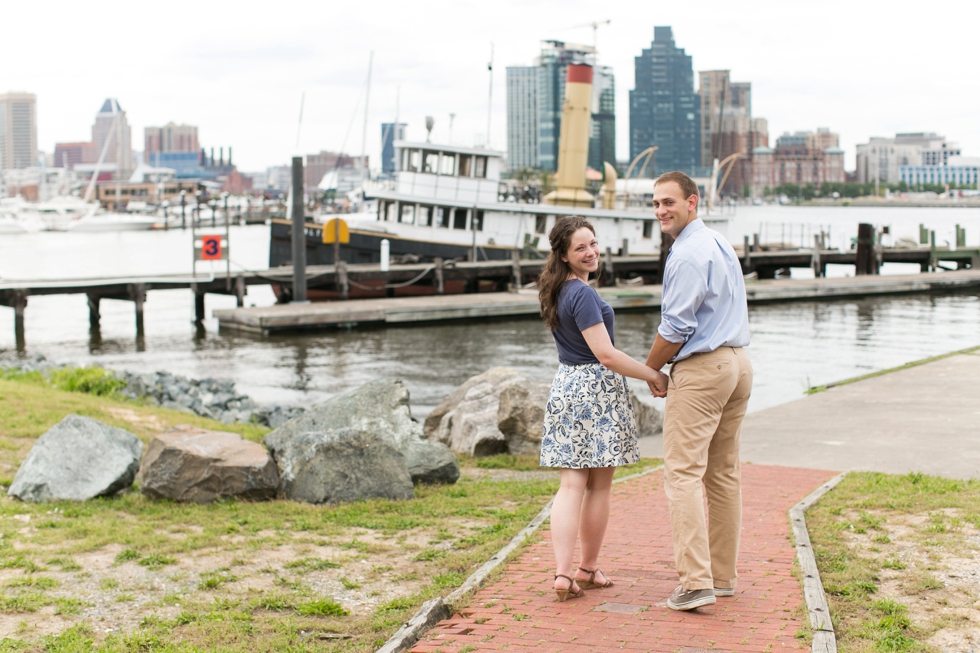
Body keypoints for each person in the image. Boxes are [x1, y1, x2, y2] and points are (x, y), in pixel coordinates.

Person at [538, 216, 667, 602]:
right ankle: (586, 568)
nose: (591, 252)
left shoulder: (557, 290)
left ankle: (564, 574)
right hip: (596, 389)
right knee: (598, 486)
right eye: (581, 247)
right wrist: (652, 374)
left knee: (571, 483)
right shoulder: (584, 295)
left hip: (566, 385)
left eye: (593, 243)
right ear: (564, 254)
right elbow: (606, 355)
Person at [644, 171, 753, 611]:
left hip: (705, 367)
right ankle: (722, 577)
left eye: (668, 202)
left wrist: (651, 369)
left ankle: (695, 582)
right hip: (738, 363)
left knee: (682, 473)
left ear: (692, 202)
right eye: (654, 204)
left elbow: (676, 327)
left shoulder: (686, 254)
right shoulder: (719, 242)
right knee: (723, 474)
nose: (660, 211)